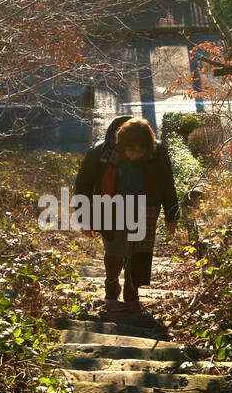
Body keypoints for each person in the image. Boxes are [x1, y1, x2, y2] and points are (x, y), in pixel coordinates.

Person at [74, 114, 179, 313]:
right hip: (110, 208)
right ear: (120, 143)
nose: (134, 155)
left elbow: (166, 185)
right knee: (114, 251)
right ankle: (111, 285)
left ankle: (133, 289)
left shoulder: (157, 153)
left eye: (140, 151)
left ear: (148, 146)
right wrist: (84, 218)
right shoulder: (100, 153)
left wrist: (171, 216)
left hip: (145, 209)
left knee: (138, 252)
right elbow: (83, 186)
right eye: (130, 150)